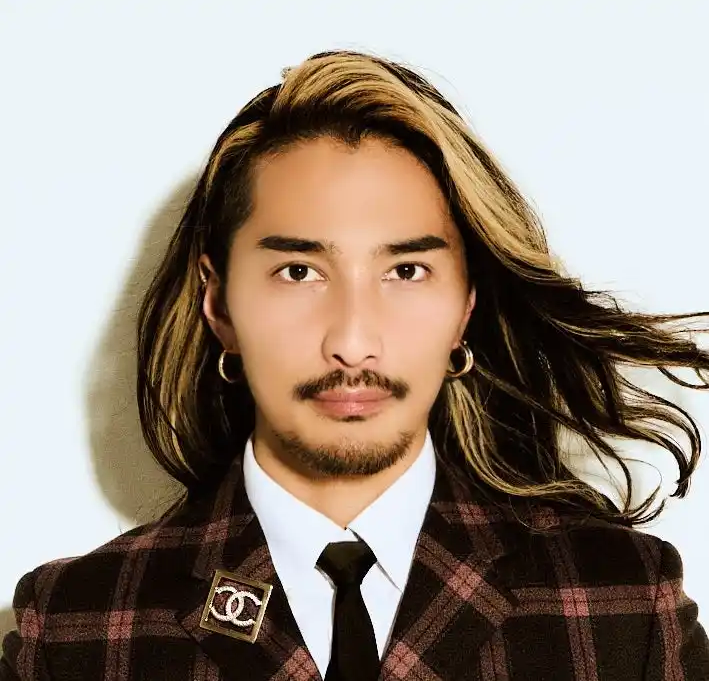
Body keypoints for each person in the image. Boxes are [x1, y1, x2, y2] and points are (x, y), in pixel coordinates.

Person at [2, 49, 708, 681]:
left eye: (405, 271)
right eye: (299, 272)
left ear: (465, 305)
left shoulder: (621, 606)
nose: (352, 342)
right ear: (218, 304)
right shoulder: (75, 629)